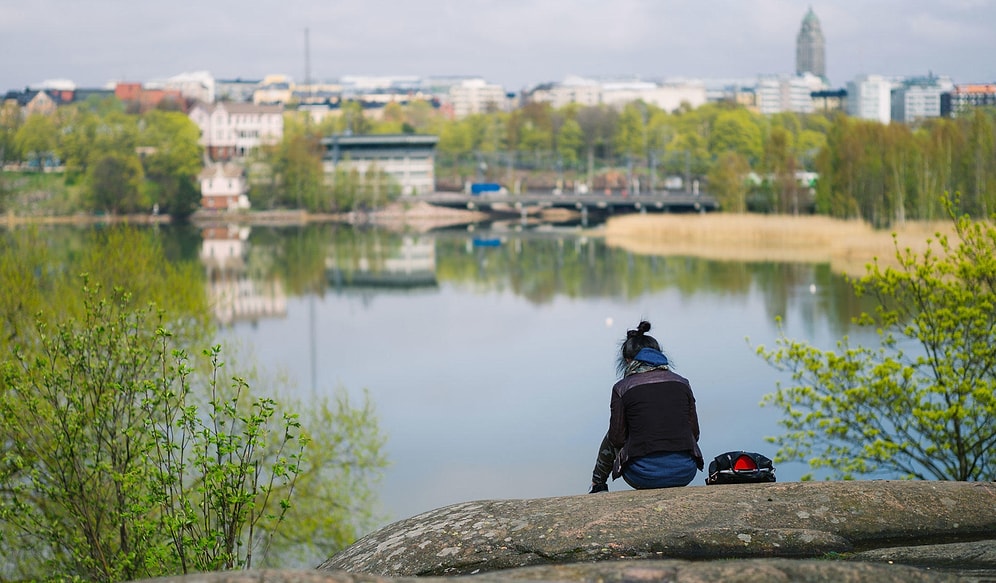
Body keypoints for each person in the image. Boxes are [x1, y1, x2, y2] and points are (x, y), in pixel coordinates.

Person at [589, 320, 703, 493]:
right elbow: (694, 433)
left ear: (628, 361)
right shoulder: (682, 383)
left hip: (642, 475)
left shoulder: (622, 388)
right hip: (685, 472)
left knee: (613, 433)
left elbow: (616, 439)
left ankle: (598, 485)